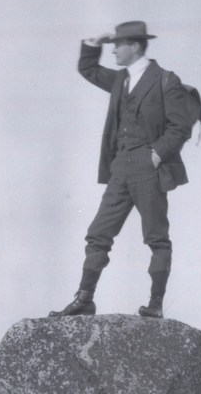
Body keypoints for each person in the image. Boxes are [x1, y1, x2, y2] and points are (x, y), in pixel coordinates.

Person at [49, 21, 193, 319]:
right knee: (98, 233)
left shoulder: (166, 80)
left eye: (118, 44)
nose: (113, 49)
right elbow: (88, 69)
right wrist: (93, 42)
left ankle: (155, 304)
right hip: (120, 169)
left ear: (135, 46)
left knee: (156, 237)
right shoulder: (120, 80)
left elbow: (180, 126)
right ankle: (84, 299)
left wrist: (156, 155)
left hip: (148, 167)